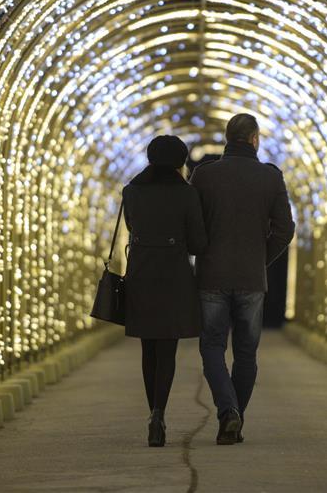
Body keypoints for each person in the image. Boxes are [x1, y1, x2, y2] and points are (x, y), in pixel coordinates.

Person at [189, 113, 295, 445]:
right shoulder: (270, 177)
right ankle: (234, 418)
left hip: (212, 275)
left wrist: (202, 252)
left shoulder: (204, 176)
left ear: (227, 138)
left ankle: (228, 411)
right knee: (246, 353)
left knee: (212, 346)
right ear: (254, 139)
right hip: (251, 279)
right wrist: (260, 259)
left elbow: (193, 225)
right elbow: (285, 229)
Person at [122, 135, 207, 447]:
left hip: (141, 274)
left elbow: (132, 228)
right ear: (180, 162)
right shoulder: (187, 194)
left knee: (148, 348)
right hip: (174, 277)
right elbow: (198, 243)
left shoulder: (131, 191)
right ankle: (159, 411)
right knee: (167, 348)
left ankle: (153, 415)